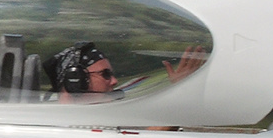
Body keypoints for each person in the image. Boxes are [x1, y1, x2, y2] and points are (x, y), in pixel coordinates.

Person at [45, 41, 206, 103]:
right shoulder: (55, 127)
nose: (114, 81)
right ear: (75, 80)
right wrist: (181, 93)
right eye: (105, 74)